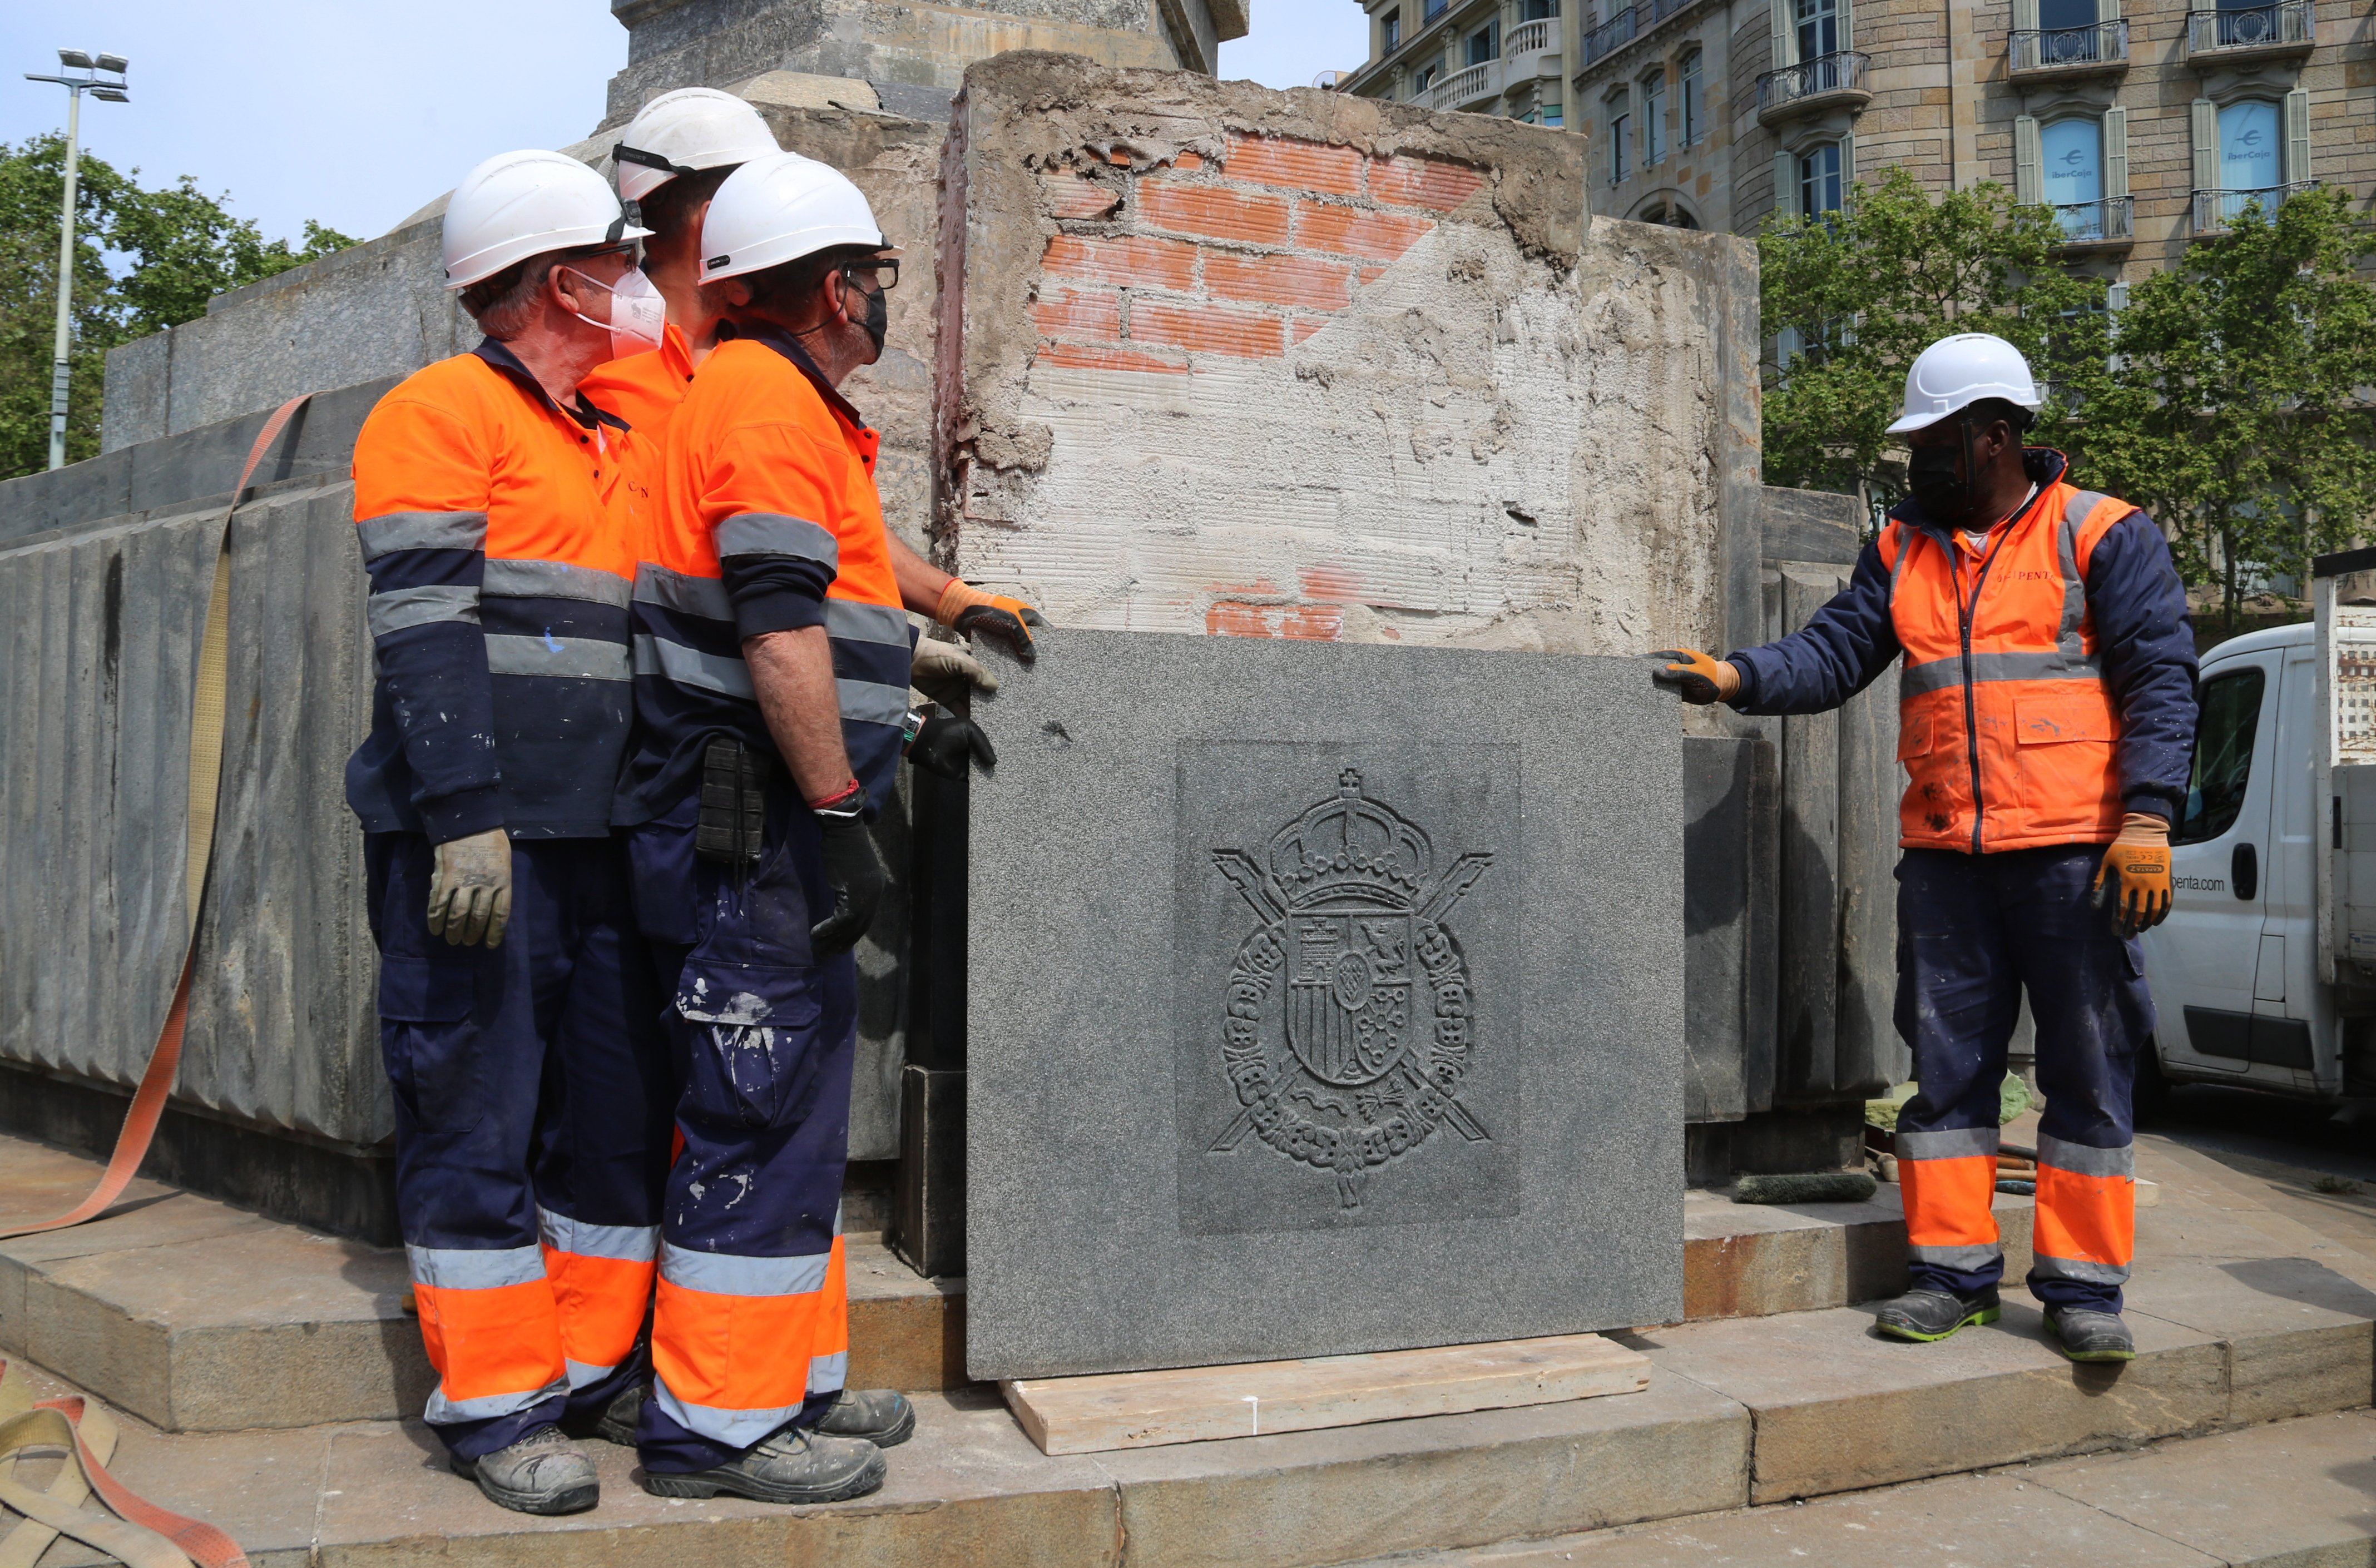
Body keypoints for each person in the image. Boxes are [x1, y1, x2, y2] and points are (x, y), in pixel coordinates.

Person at [1654, 333, 2198, 1363]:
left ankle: (2084, 1288)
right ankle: (1952, 1277)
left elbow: (2161, 684)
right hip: (1950, 859)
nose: (1917, 464)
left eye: (1933, 443)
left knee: (2087, 1071)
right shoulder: (1904, 550)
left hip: (2077, 858)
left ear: (1994, 437)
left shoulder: (2102, 536)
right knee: (1946, 1078)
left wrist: (2147, 819)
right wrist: (1736, 678)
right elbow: (1836, 651)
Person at [611, 150, 977, 1504]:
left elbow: (845, 600)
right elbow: (777, 628)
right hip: (756, 821)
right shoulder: (767, 406)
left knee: (793, 1109)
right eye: (877, 277)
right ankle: (712, 1427)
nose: (883, 297)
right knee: (753, 1107)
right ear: (832, 287)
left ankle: (786, 1381)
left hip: (761, 813)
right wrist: (839, 810)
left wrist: (925, 662)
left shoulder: (781, 400)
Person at [345, 149, 672, 1514]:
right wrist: (467, 818)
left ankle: (587, 1361)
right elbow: (426, 629)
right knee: (472, 1109)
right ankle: (495, 1403)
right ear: (559, 281)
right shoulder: (437, 413)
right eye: (620, 261)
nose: (639, 286)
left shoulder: (600, 429)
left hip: (601, 838)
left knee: (608, 1119)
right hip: (482, 850)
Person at [584, 86, 1042, 694]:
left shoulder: (767, 364)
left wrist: (950, 604)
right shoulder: (603, 378)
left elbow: (817, 525)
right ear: (715, 213)